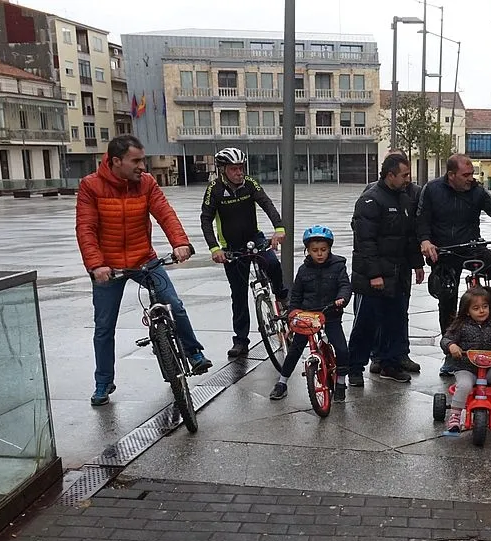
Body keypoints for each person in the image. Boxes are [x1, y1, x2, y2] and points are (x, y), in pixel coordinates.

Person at [76, 134, 212, 407]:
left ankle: (193, 353)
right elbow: (86, 228)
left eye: (143, 160)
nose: (142, 166)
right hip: (109, 267)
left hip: (144, 260)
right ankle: (103, 381)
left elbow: (165, 214)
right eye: (136, 161)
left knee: (174, 304)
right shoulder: (91, 186)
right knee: (104, 327)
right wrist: (96, 265)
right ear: (116, 161)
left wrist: (180, 243)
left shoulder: (146, 183)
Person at [417, 154, 491, 375]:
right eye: (466, 175)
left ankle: (490, 311)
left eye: (472, 174)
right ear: (451, 174)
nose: (470, 178)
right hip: (445, 250)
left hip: (472, 246)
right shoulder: (432, 189)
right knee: (447, 298)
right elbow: (422, 219)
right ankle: (450, 354)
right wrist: (425, 241)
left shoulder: (477, 190)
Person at [200, 147, 288, 359]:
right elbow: (206, 220)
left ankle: (282, 297)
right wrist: (214, 248)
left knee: (273, 263)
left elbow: (267, 204)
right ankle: (241, 341)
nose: (239, 172)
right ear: (223, 170)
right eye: (234, 169)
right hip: (231, 247)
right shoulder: (214, 190)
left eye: (241, 168)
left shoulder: (250, 184)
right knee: (238, 295)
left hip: (253, 238)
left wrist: (279, 228)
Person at [347, 153, 425, 386]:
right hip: (375, 278)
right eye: (404, 175)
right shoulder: (370, 200)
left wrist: (417, 264)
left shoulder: (404, 199)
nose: (408, 179)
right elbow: (365, 242)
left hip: (398, 274)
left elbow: (409, 236)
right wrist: (374, 274)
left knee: (395, 321)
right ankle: (355, 369)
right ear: (390, 175)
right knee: (366, 325)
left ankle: (390, 364)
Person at [269, 225, 352, 402]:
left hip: (330, 313)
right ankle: (282, 382)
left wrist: (342, 299)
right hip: (308, 315)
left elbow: (345, 285)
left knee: (342, 350)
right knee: (295, 349)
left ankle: (341, 382)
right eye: (315, 250)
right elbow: (296, 295)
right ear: (308, 250)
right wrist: (293, 312)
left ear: (329, 249)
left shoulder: (338, 266)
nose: (319, 254)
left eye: (323, 249)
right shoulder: (303, 270)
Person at [439, 287, 491, 433]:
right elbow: (446, 339)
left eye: (485, 306)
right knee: (463, 385)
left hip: (489, 370)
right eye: (476, 308)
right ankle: (455, 415)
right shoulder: (461, 325)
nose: (482, 311)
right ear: (467, 311)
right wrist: (451, 346)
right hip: (466, 369)